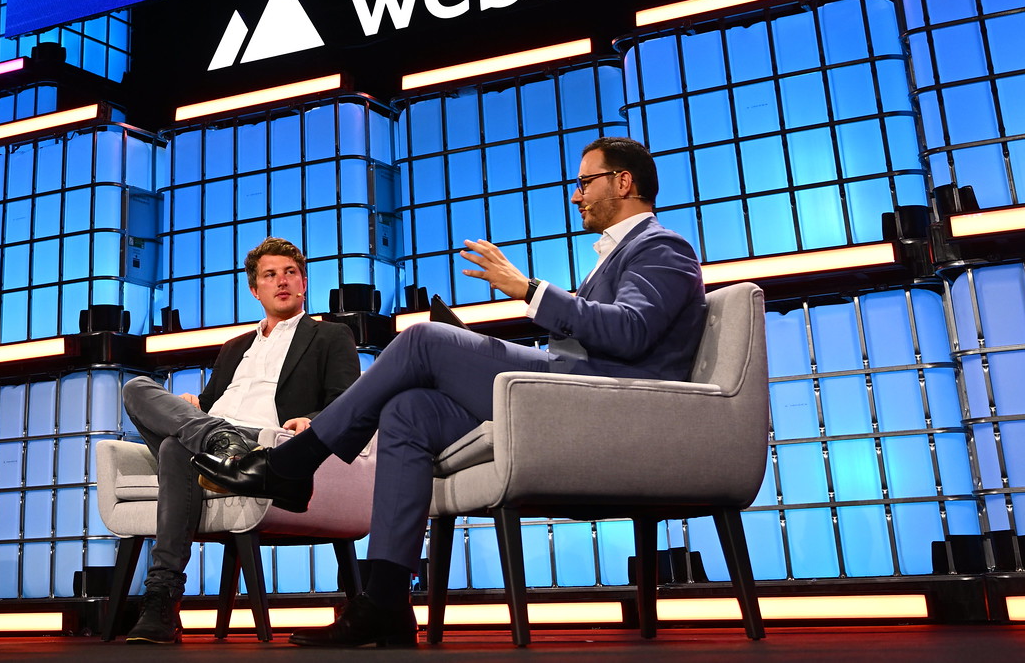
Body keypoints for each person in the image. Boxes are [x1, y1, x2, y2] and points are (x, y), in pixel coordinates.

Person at [195, 138, 703, 648]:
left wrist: (529, 290)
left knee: (423, 338)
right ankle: (386, 601)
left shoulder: (663, 247)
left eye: (584, 182)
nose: (576, 195)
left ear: (623, 182)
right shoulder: (624, 254)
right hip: (569, 394)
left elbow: (630, 332)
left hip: (604, 405)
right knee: (408, 410)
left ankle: (294, 462)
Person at [117, 237, 361, 645]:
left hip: (266, 445)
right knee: (136, 388)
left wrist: (312, 421)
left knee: (176, 447)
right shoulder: (234, 348)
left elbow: (348, 402)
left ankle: (162, 595)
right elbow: (211, 401)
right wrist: (194, 406)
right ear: (254, 289)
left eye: (291, 273)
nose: (282, 281)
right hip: (216, 438)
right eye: (270, 275)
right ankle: (218, 441)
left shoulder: (330, 336)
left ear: (303, 284)